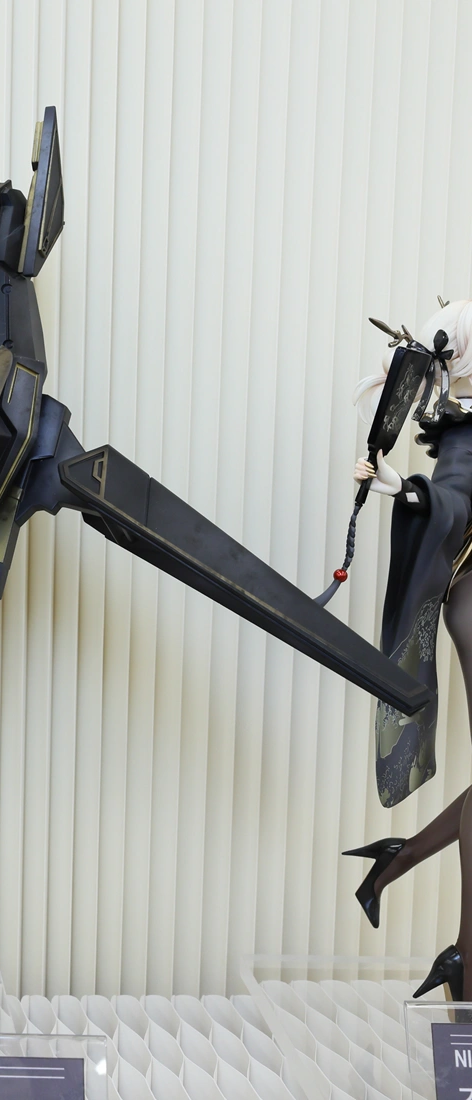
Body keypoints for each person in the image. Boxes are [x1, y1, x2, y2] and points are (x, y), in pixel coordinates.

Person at [346, 299, 472, 1001]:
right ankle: (464, 955)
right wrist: (404, 488)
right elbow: (452, 500)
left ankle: (398, 864)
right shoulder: (466, 435)